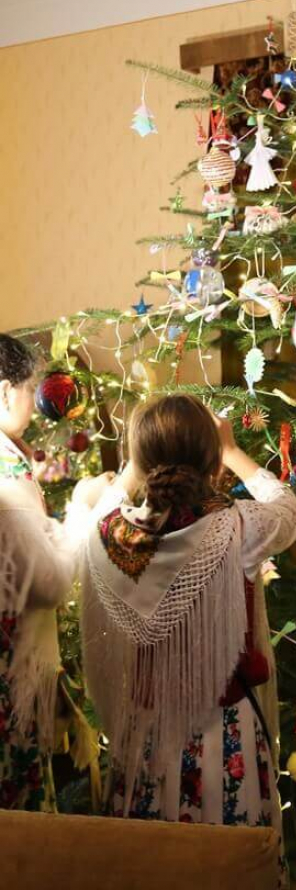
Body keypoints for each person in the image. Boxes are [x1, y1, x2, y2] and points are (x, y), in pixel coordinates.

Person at [79, 394, 296, 854]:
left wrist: (133, 469)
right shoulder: (237, 526)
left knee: (150, 860)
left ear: (140, 464)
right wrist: (233, 451)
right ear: (210, 459)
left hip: (144, 734)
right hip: (223, 731)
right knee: (224, 861)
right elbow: (288, 509)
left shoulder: (106, 531)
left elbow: (112, 499)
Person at [0, 334, 77, 811]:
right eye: (31, 390)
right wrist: (88, 509)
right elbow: (46, 583)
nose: (34, 402)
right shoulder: (7, 466)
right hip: (11, 674)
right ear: (5, 391)